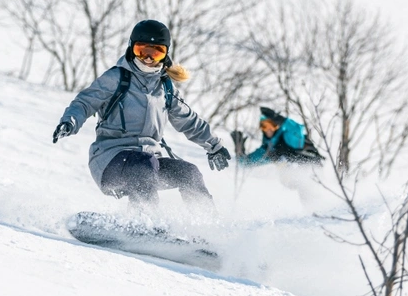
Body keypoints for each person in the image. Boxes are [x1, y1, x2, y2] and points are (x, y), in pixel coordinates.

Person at [52, 19, 231, 215]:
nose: (148, 58)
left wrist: (214, 145)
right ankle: (143, 223)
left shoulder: (166, 87)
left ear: (165, 54)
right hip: (110, 161)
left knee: (189, 173)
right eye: (141, 50)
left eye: (156, 52)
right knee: (142, 164)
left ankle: (207, 228)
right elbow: (85, 102)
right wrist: (70, 121)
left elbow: (188, 120)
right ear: (131, 48)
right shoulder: (117, 78)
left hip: (149, 162)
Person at [231, 107, 323, 166]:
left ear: (277, 125)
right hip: (291, 183)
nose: (268, 129)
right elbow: (247, 163)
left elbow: (297, 133)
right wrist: (239, 150)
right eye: (264, 126)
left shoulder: (286, 137)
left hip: (311, 170)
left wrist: (281, 119)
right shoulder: (268, 148)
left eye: (271, 125)